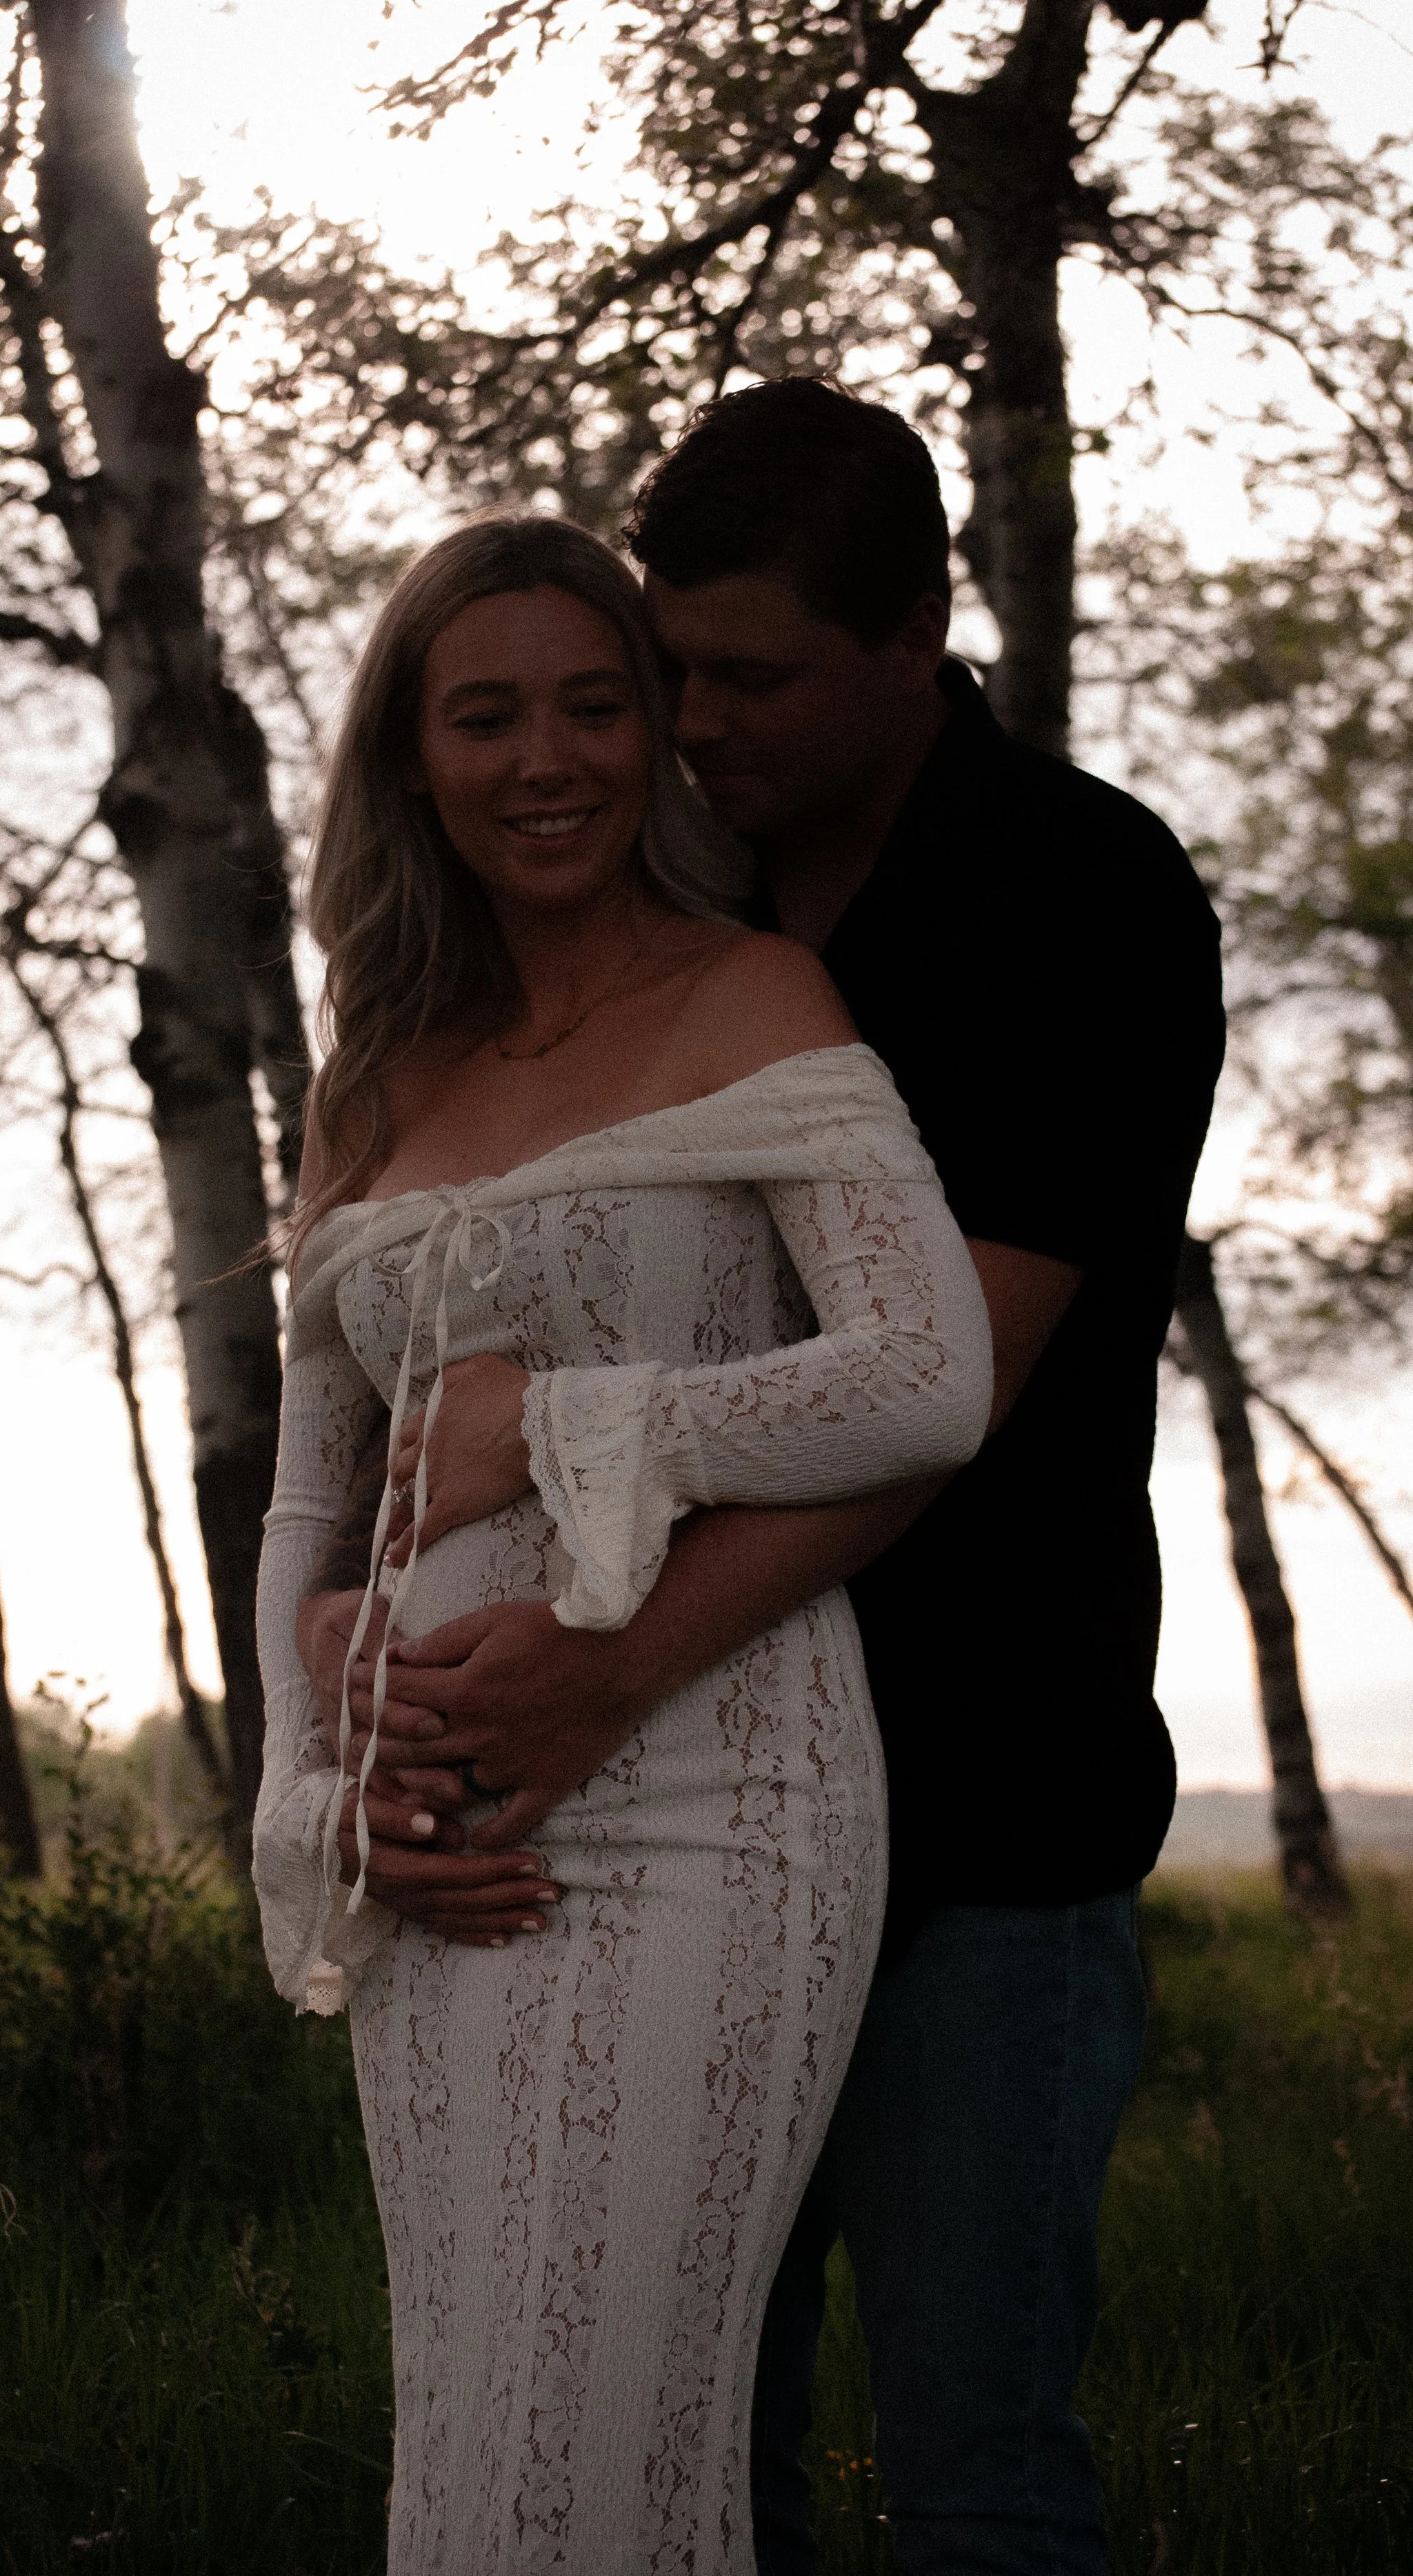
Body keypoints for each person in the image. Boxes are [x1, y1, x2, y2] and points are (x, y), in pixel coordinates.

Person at [299, 385, 1226, 2576]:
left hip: (975, 1791)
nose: (693, 725)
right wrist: (369, 1639)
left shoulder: (1075, 893)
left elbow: (951, 1386)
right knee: (683, 2440)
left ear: (918, 637)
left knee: (972, 2461)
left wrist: (588, 1672)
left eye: (752, 678)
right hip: (627, 1785)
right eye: (673, 668)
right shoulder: (667, 885)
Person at [250, 509, 994, 2575]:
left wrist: (570, 1420)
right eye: (482, 716)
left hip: (711, 1803)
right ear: (411, 759)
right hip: (426, 1837)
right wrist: (314, 1790)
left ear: (654, 736)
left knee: (597, 2448)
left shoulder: (756, 996)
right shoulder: (375, 1073)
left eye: (592, 704)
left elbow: (924, 1374)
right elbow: (320, 1499)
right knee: (471, 2449)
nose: (544, 757)